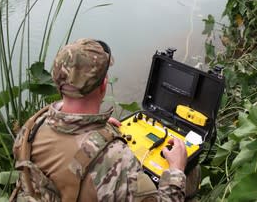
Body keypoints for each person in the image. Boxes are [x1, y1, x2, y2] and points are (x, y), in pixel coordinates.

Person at [11, 38, 188, 201]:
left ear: (59, 83)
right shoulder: (117, 160)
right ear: (104, 85)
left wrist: (97, 130)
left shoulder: (33, 127)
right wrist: (176, 171)